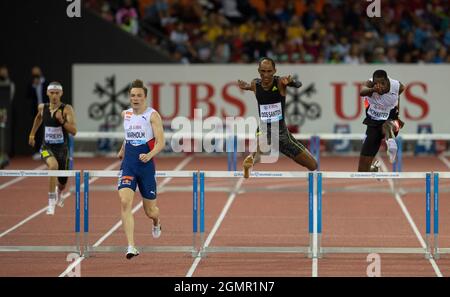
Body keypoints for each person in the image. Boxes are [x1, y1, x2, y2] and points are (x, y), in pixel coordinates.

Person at [237, 57, 317, 178]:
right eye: (263, 71)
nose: (266, 75)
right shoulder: (255, 84)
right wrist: (246, 86)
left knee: (313, 165)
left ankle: (257, 157)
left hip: (283, 134)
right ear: (259, 71)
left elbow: (298, 84)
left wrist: (291, 82)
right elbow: (251, 86)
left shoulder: (280, 82)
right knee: (260, 149)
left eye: (269, 71)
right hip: (265, 129)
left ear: (275, 71)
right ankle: (251, 161)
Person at [117, 79, 165, 259]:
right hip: (129, 165)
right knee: (124, 202)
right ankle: (131, 246)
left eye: (139, 96)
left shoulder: (152, 115)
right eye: (132, 95)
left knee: (150, 211)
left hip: (145, 167)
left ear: (145, 97)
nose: (135, 99)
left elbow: (161, 143)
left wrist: (150, 154)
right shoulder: (126, 114)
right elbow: (128, 135)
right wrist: (122, 149)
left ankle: (156, 221)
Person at [28, 82, 77, 214]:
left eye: (57, 93)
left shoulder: (67, 109)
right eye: (52, 93)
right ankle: (51, 203)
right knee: (53, 166)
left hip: (62, 150)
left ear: (61, 94)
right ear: (47, 93)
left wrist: (62, 121)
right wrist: (32, 134)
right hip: (46, 147)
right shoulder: (42, 107)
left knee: (62, 182)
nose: (54, 96)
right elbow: (38, 119)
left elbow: (74, 131)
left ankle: (59, 192)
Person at [358, 69, 405, 172]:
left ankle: (391, 144)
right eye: (377, 83)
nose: (380, 86)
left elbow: (397, 97)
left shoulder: (397, 86)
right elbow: (361, 92)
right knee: (362, 171)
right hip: (373, 124)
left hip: (391, 123)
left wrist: (398, 115)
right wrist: (373, 89)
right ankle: (374, 169)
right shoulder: (370, 84)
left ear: (387, 80)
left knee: (387, 124)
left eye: (382, 83)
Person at [27, 66, 49, 159]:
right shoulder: (32, 84)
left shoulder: (46, 83)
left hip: (47, 108)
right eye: (33, 73)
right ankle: (37, 151)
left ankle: (46, 152)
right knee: (37, 130)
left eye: (37, 73)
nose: (35, 75)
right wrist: (34, 86)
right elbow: (27, 96)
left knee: (47, 130)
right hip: (36, 110)